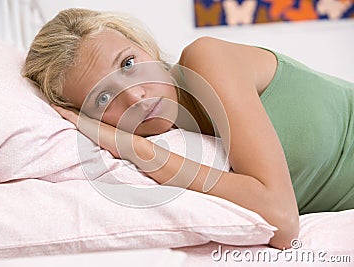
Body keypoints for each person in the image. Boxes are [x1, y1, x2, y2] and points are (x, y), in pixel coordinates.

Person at [22, 8, 354, 249]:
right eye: (104, 97)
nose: (135, 96)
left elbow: (281, 221)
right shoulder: (177, 144)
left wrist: (137, 149)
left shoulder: (207, 60)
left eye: (128, 63)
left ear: (145, 46)